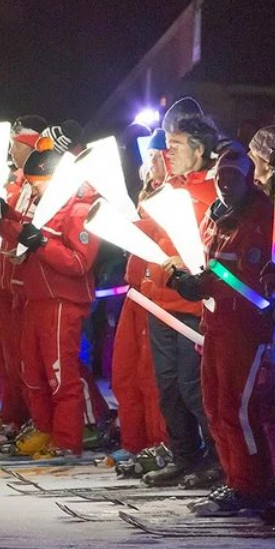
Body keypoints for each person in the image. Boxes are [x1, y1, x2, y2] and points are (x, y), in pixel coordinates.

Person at [166, 149, 275, 515]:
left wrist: (205, 284)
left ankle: (253, 485)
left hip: (246, 330)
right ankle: (234, 480)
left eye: (232, 178)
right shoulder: (218, 216)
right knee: (216, 407)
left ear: (248, 179)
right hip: (217, 326)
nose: (224, 186)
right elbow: (208, 263)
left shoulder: (263, 218)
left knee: (239, 410)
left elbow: (254, 282)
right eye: (220, 179)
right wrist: (186, 279)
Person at [0, 149, 99, 458]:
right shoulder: (48, 207)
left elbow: (79, 262)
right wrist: (3, 219)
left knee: (60, 375)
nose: (33, 190)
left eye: (38, 184)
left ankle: (68, 440)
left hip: (61, 303)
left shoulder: (79, 210)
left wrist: (41, 243)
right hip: (37, 298)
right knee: (33, 372)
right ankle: (44, 428)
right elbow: (27, 234)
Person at [140, 113, 221, 488]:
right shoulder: (169, 188)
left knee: (193, 386)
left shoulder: (216, 190)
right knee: (168, 385)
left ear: (199, 149)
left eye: (175, 146)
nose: (167, 152)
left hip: (191, 305)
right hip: (160, 300)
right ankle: (184, 455)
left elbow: (213, 245)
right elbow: (151, 234)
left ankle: (218, 460)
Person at [0, 116, 47, 436]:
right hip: (8, 281)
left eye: (14, 144)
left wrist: (3, 222)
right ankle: (14, 414)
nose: (11, 150)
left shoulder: (35, 184)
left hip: (26, 285)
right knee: (10, 359)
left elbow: (27, 234)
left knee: (30, 361)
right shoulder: (20, 184)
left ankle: (36, 420)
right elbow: (13, 233)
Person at [110, 129, 169, 462]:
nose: (149, 163)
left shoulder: (174, 196)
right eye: (147, 157)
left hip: (157, 297)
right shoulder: (147, 194)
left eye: (155, 156)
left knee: (151, 376)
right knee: (125, 371)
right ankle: (134, 442)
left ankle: (157, 444)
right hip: (136, 293)